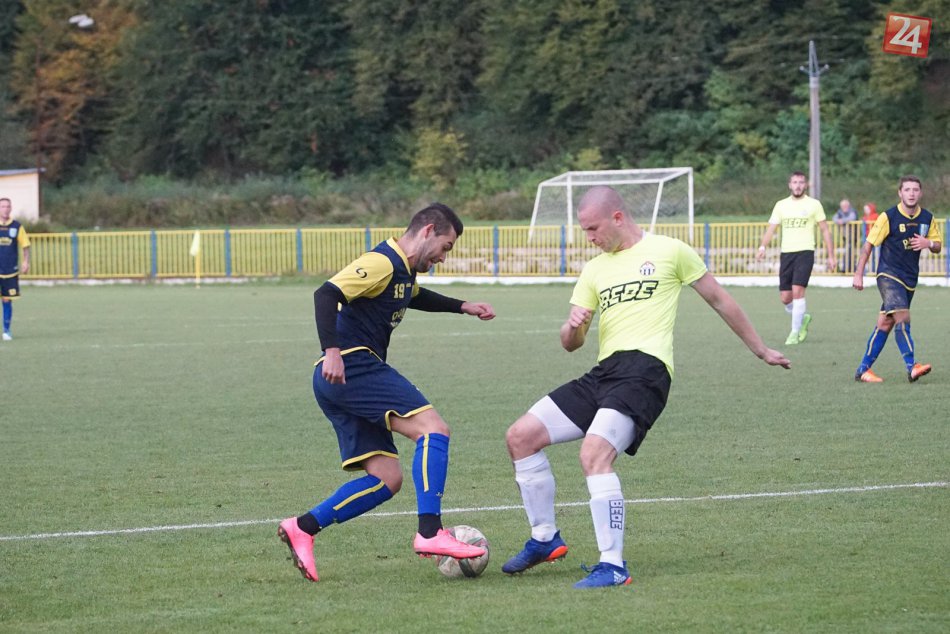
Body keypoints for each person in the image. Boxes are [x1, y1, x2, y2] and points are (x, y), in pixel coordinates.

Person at [502, 186, 790, 589]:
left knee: (594, 454)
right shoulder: (594, 270)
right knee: (520, 436)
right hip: (604, 372)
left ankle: (613, 565)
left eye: (593, 228)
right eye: (585, 231)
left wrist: (760, 349)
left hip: (646, 371)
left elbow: (720, 300)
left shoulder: (670, 251)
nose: (589, 237)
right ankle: (545, 538)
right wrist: (572, 326)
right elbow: (571, 344)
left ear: (618, 217)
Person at [278, 202, 496, 582]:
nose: (443, 258)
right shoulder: (382, 261)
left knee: (386, 479)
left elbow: (415, 295)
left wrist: (463, 306)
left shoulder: (404, 272)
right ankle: (430, 532)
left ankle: (303, 527)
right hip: (352, 365)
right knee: (434, 429)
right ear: (427, 231)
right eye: (445, 247)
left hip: (339, 381)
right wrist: (333, 351)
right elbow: (326, 294)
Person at [852, 176, 941, 383]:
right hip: (888, 275)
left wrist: (928, 243)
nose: (911, 193)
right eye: (907, 189)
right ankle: (912, 366)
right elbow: (868, 245)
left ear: (920, 193)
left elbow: (937, 245)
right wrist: (858, 273)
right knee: (903, 318)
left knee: (885, 323)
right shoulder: (888, 217)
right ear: (900, 193)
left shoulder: (927, 218)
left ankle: (863, 369)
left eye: (915, 190)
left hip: (910, 279)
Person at [756, 171, 836, 345]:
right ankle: (803, 317)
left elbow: (824, 230)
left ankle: (794, 332)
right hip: (787, 253)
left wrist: (831, 255)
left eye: (801, 182)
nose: (798, 185)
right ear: (789, 185)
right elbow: (771, 228)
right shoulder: (781, 205)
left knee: (798, 291)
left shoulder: (814, 204)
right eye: (795, 182)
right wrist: (762, 247)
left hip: (805, 252)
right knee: (786, 298)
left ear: (805, 185)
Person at [0, 197, 31, 341]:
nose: (5, 209)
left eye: (8, 206)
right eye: (2, 206)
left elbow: (25, 245)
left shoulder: (17, 226)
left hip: (10, 271)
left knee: (7, 300)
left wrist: (26, 261)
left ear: (11, 208)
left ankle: (6, 330)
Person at [832, 199, 858, 271]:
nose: (844, 207)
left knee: (849, 252)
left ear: (848, 206)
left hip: (853, 236)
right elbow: (834, 218)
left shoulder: (852, 211)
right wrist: (839, 221)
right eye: (843, 206)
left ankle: (848, 268)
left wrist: (842, 221)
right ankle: (848, 268)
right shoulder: (839, 212)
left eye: (845, 206)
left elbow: (852, 218)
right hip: (845, 236)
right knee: (848, 252)